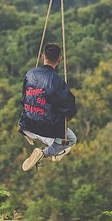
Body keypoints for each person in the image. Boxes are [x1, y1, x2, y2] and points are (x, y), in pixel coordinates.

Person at [19, 43, 77, 171]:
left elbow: (24, 98)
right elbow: (70, 107)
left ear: (42, 56)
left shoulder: (30, 74)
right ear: (59, 59)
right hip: (46, 128)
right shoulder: (56, 81)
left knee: (57, 139)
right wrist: (66, 120)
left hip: (27, 125)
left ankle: (57, 152)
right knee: (70, 140)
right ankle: (44, 153)